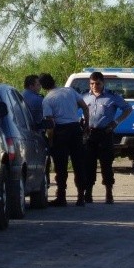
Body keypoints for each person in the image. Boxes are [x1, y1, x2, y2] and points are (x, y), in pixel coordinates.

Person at [40, 73, 90, 207]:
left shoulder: (47, 99)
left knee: (61, 166)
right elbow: (85, 107)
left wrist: (50, 141)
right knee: (78, 163)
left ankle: (61, 196)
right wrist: (86, 125)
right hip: (75, 129)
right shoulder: (70, 91)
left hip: (60, 132)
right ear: (54, 80)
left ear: (43, 87)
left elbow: (50, 124)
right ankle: (81, 196)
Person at [83, 71, 133, 204]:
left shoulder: (112, 97)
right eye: (92, 83)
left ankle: (109, 192)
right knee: (89, 164)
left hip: (105, 134)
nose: (94, 86)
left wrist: (116, 122)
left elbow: (128, 109)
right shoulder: (85, 97)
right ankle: (88, 192)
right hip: (90, 134)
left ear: (102, 83)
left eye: (97, 83)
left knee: (106, 164)